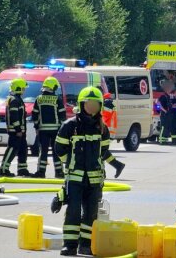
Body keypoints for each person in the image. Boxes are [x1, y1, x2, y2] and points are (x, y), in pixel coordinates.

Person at [55, 86, 110, 256]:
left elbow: (103, 153)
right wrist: (70, 164)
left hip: (94, 179)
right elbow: (60, 149)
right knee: (73, 210)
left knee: (91, 212)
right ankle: (70, 245)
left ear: (100, 106)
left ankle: (85, 244)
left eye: (95, 104)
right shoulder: (70, 126)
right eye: (89, 103)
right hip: (75, 178)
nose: (92, 107)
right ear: (82, 104)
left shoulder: (102, 128)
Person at [32, 77, 66, 178]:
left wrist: (37, 127)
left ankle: (41, 172)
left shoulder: (39, 99)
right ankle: (59, 172)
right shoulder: (57, 99)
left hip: (43, 130)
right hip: (56, 130)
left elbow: (35, 114)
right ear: (53, 87)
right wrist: (63, 128)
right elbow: (62, 115)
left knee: (43, 151)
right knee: (57, 151)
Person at [0, 78, 31, 177]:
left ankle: (22, 169)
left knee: (22, 149)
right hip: (16, 131)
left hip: (20, 131)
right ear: (19, 88)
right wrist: (18, 129)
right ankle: (4, 169)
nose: (24, 90)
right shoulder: (14, 100)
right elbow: (14, 116)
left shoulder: (16, 99)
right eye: (23, 88)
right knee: (12, 149)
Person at [100, 89, 124, 178]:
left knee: (99, 152)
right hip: (108, 131)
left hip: (106, 131)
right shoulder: (108, 102)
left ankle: (102, 172)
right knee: (103, 152)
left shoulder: (106, 103)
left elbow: (103, 118)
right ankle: (118, 166)